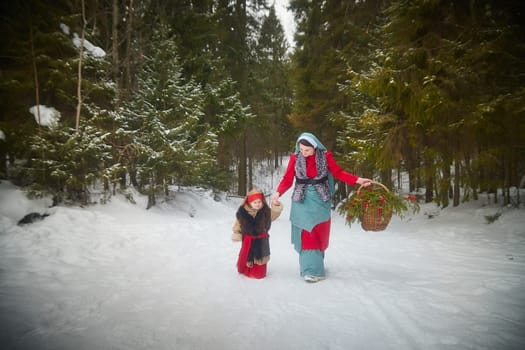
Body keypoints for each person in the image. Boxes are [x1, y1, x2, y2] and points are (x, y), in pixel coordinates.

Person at [271, 132, 372, 283]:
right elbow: (287, 178)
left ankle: (315, 263)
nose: (303, 153)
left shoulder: (325, 157)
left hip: (320, 199)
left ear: (314, 147)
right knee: (307, 233)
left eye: (307, 150)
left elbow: (338, 173)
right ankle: (311, 270)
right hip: (301, 200)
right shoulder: (295, 158)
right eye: (301, 149)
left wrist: (358, 180)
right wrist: (277, 193)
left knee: (318, 231)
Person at [232, 188, 283, 279]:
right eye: (255, 202)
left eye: (259, 202)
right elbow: (238, 224)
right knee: (248, 255)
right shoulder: (242, 213)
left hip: (262, 239)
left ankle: (259, 271)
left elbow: (274, 214)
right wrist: (236, 233)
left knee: (261, 256)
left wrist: (276, 207)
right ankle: (248, 270)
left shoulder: (266, 212)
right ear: (249, 203)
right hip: (248, 239)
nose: (258, 204)